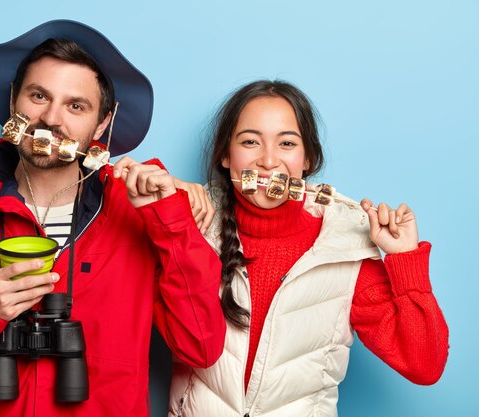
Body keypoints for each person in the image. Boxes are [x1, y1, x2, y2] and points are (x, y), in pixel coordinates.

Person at [0, 20, 225, 417]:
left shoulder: (140, 215)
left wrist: (170, 225)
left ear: (102, 122)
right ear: (14, 99)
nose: (51, 119)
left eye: (76, 106)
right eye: (38, 96)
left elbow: (201, 348)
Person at [168, 80, 449, 417]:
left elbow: (424, 366)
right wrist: (163, 207)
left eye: (286, 143)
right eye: (250, 142)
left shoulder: (345, 247)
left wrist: (405, 259)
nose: (268, 161)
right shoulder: (188, 227)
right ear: (226, 156)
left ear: (308, 159)